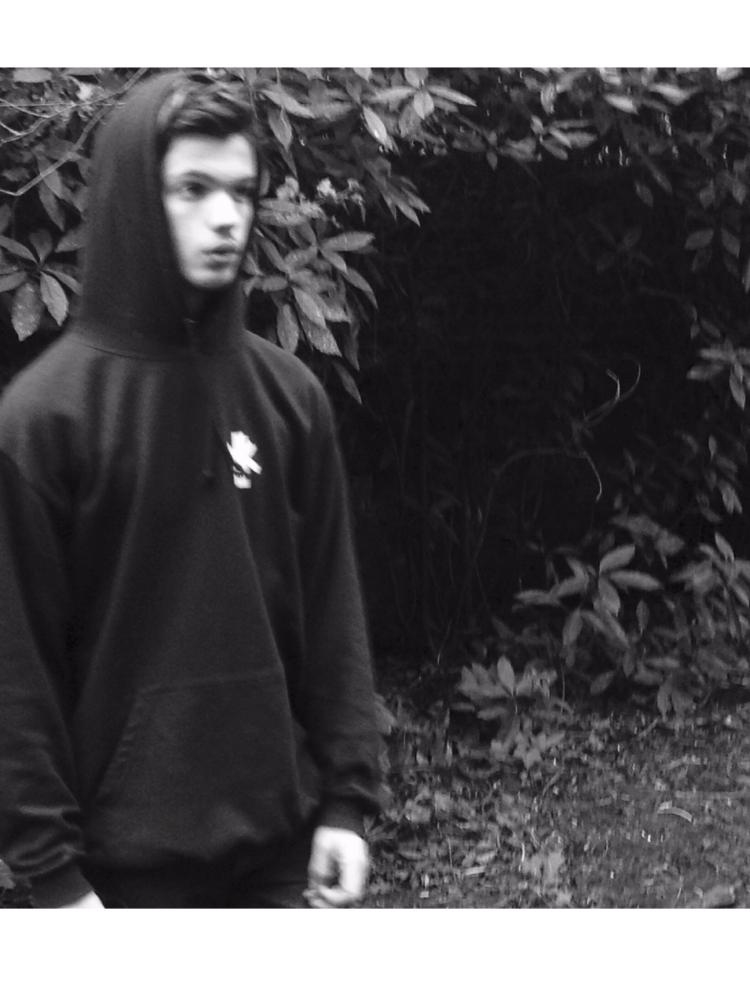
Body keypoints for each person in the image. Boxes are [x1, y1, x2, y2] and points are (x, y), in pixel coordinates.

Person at [0, 70, 381, 908]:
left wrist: (348, 802)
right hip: (117, 877)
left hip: (281, 852)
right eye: (194, 189)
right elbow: (16, 670)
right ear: (136, 199)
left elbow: (332, 613)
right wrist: (53, 879)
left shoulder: (289, 398)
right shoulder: (43, 420)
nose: (226, 217)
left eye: (242, 192)